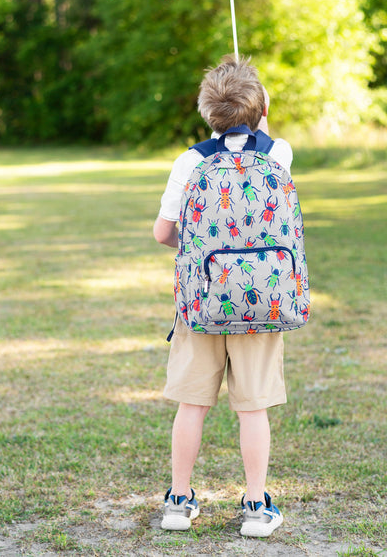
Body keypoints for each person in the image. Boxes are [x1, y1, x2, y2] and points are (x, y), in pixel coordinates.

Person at [153, 54, 292, 538]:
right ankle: (256, 507)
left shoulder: (190, 161)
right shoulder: (279, 154)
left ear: (206, 111)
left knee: (191, 404)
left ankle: (179, 501)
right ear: (261, 106)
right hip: (260, 301)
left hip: (201, 301)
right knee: (252, 408)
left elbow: (162, 232)